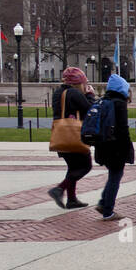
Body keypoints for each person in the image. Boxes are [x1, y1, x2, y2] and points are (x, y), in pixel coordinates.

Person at [47, 66, 94, 209]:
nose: (85, 86)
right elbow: (90, 109)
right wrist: (90, 94)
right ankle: (59, 189)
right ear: (77, 83)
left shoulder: (58, 93)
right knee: (85, 166)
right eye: (83, 83)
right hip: (74, 135)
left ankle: (72, 199)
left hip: (61, 136)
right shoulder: (74, 93)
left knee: (73, 167)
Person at [94, 73, 134, 221]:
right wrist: (128, 149)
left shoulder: (103, 101)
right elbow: (123, 129)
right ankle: (108, 211)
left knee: (113, 175)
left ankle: (104, 203)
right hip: (116, 147)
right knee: (115, 177)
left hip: (102, 145)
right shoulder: (119, 103)